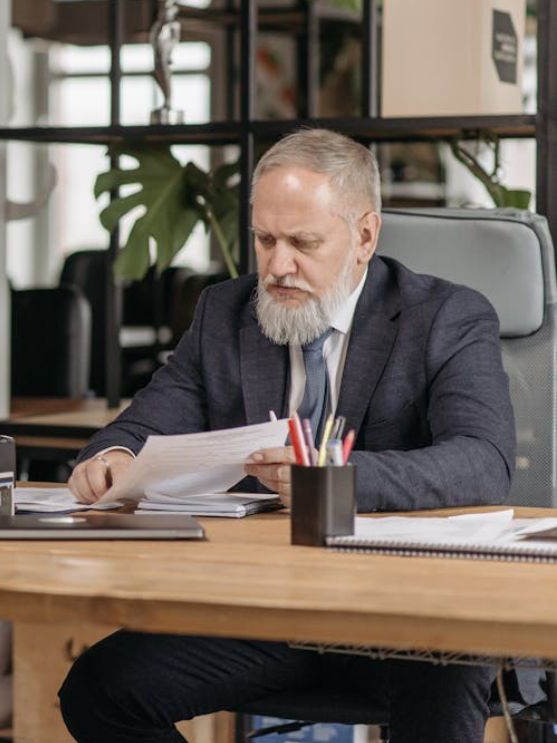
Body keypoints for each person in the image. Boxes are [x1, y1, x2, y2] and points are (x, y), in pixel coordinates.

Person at [59, 128, 514, 742]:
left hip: (402, 612)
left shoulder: (447, 316)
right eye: (265, 239)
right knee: (102, 690)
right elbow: (147, 421)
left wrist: (335, 481)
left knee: (448, 668)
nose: (276, 265)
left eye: (303, 243)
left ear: (364, 237)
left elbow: (482, 460)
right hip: (269, 608)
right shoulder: (225, 312)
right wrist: (110, 456)